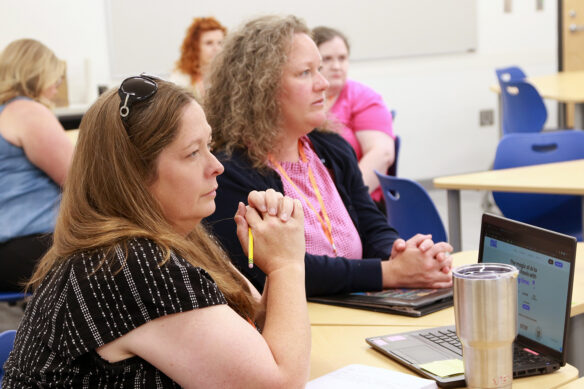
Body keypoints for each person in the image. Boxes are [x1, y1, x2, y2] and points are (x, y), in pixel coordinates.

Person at [2, 77, 310, 387]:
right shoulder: (127, 264)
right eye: (192, 153)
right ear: (134, 175)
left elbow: (253, 323)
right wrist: (286, 265)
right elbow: (279, 383)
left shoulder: (177, 236)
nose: (216, 165)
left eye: (209, 145)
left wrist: (274, 257)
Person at [204, 15, 453, 297]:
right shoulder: (228, 170)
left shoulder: (331, 148)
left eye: (319, 69)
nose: (323, 83)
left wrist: (399, 253)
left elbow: (373, 225)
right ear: (261, 88)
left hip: (361, 310)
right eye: (305, 73)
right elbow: (268, 269)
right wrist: (388, 273)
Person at [0, 39, 74, 292]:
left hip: (9, 252)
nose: (57, 86)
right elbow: (79, 179)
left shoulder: (5, 113)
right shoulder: (27, 112)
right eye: (56, 78)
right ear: (37, 74)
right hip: (32, 247)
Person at [312, 26, 396, 206]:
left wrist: (342, 202)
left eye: (342, 58)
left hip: (357, 203)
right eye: (327, 59)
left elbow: (383, 154)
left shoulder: (363, 97)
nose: (336, 66)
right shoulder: (301, 100)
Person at [170, 16, 227, 101]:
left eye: (220, 43)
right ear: (195, 47)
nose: (216, 48)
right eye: (209, 43)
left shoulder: (229, 76)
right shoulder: (180, 79)